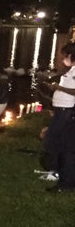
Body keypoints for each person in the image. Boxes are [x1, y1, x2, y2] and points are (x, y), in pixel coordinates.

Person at [42, 42, 75, 192]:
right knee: (56, 141)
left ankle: (59, 174)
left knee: (55, 141)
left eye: (64, 56)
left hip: (66, 111)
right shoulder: (71, 70)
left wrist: (59, 87)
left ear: (70, 55)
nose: (63, 59)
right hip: (61, 110)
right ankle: (58, 172)